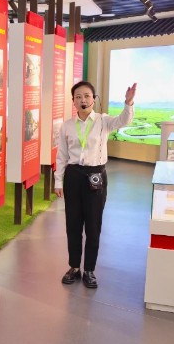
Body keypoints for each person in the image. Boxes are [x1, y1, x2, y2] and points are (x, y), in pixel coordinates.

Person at [54, 80, 136, 289]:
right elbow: (62, 155)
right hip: (73, 176)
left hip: (95, 176)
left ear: (94, 99)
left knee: (93, 225)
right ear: (73, 101)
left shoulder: (103, 121)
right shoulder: (67, 125)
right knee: (73, 224)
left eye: (87, 96)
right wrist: (58, 181)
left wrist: (128, 103)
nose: (83, 100)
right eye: (78, 97)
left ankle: (89, 269)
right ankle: (74, 267)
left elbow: (124, 120)